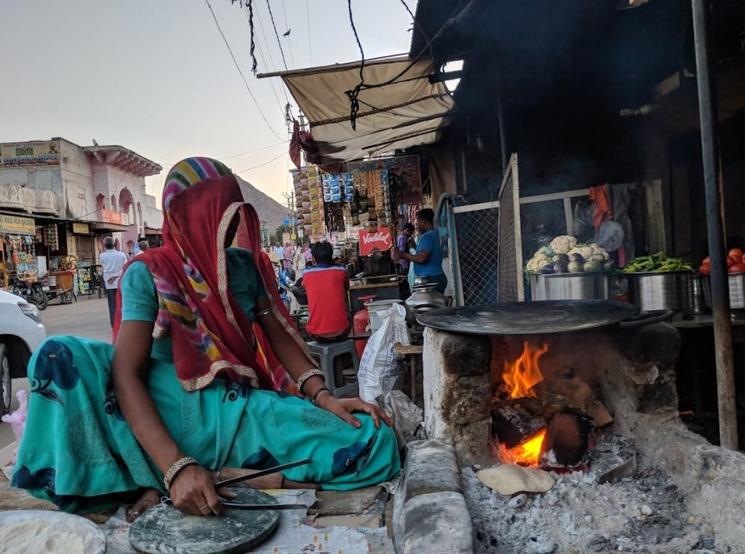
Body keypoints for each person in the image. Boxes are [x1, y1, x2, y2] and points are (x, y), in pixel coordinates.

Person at [13, 157, 399, 519]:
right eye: (218, 215)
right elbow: (125, 375)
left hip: (237, 412)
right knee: (55, 355)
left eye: (234, 216)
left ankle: (220, 473)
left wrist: (324, 397)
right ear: (188, 216)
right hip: (165, 419)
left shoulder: (246, 268)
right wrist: (176, 466)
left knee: (375, 445)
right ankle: (168, 475)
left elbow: (280, 341)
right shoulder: (149, 273)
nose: (230, 228)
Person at [303, 241, 351, 341]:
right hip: (342, 331)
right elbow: (347, 288)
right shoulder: (342, 271)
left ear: (314, 258)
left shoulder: (306, 274)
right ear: (331, 256)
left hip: (315, 333)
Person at [397, 208, 447, 293]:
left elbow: (421, 259)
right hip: (435, 277)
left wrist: (403, 255)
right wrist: (415, 247)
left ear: (424, 222)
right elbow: (427, 253)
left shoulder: (428, 237)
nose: (417, 225)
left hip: (431, 279)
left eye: (418, 222)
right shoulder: (435, 233)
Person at [100, 237, 128, 326]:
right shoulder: (122, 255)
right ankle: (124, 321)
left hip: (109, 282)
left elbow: (103, 267)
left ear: (104, 245)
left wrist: (111, 277)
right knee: (122, 303)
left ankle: (114, 323)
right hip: (120, 281)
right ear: (114, 244)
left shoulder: (102, 256)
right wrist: (116, 276)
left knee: (112, 304)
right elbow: (125, 267)